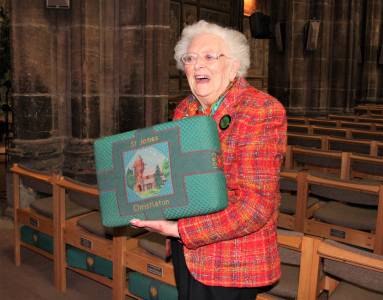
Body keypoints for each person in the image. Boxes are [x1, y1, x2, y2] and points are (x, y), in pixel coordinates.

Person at [130, 20, 287, 300]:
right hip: (185, 248)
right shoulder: (185, 109)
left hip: (233, 260)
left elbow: (255, 207)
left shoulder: (260, 109)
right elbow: (177, 176)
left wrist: (180, 229)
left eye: (209, 56)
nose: (197, 64)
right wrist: (145, 198)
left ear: (234, 67)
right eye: (189, 58)